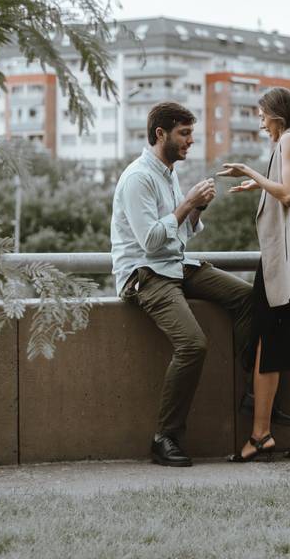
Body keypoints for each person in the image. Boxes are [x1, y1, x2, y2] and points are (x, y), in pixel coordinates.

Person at [111, 101, 255, 467]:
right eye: (185, 134)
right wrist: (187, 201)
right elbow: (151, 242)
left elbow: (182, 234)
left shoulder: (168, 171)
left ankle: (251, 389)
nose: (191, 141)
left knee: (249, 297)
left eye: (192, 134)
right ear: (161, 134)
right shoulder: (137, 178)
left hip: (175, 264)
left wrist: (197, 208)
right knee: (192, 345)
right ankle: (165, 437)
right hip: (144, 273)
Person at [218, 87, 290, 463]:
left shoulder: (288, 141)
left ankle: (260, 434)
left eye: (262, 114)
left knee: (268, 340)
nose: (261, 121)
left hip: (283, 263)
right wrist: (260, 184)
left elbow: (287, 193)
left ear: (277, 114)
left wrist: (251, 171)